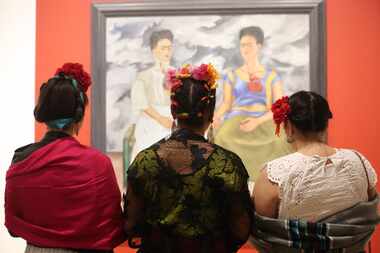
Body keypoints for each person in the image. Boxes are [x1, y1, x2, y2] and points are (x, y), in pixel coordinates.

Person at [123, 64, 254, 253]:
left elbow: (131, 225)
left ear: (173, 111)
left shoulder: (145, 160)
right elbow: (241, 229)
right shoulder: (227, 163)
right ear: (209, 112)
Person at [5, 63, 125, 253]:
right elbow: (112, 225)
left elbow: (13, 227)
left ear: (44, 112)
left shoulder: (21, 159)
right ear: (80, 117)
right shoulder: (98, 163)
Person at [252, 91, 378, 252]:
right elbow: (370, 214)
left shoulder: (274, 174)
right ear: (326, 124)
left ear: (289, 127)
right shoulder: (358, 161)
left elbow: (262, 233)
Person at [213, 26, 292, 181]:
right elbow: (226, 104)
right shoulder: (232, 76)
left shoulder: (271, 76)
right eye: (242, 45)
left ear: (259, 46)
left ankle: (268, 184)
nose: (245, 48)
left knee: (279, 140)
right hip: (237, 120)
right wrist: (215, 117)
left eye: (249, 44)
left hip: (264, 119)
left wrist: (257, 121)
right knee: (222, 137)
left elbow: (279, 108)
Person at [128, 29, 175, 161]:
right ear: (154, 51)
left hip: (173, 116)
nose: (167, 52)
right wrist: (161, 119)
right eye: (163, 48)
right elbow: (141, 103)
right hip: (151, 118)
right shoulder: (144, 76)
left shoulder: (177, 74)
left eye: (169, 48)